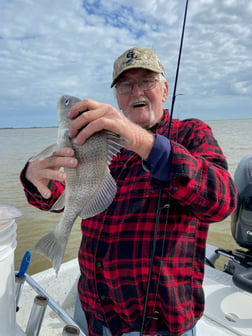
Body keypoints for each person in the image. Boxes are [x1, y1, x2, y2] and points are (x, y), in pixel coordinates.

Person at [20, 47, 237, 336]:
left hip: (157, 327)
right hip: (92, 311)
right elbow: (62, 196)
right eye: (125, 84)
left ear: (164, 89)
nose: (136, 91)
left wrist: (142, 142)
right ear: (117, 98)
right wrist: (35, 178)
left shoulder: (191, 133)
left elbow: (222, 201)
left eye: (146, 80)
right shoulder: (103, 144)